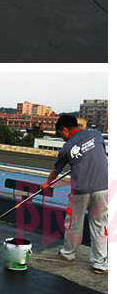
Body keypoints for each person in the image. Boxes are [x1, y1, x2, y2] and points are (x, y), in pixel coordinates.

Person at [42, 113, 108, 273]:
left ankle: (68, 253)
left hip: (80, 190)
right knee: (100, 225)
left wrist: (47, 184)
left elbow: (56, 170)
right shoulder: (96, 134)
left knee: (74, 223)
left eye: (60, 133)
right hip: (103, 187)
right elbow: (100, 154)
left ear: (65, 129)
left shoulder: (66, 148)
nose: (62, 137)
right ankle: (100, 263)